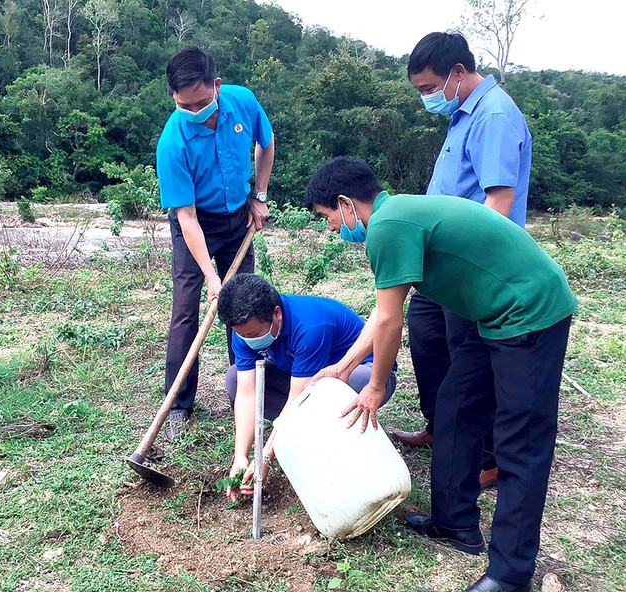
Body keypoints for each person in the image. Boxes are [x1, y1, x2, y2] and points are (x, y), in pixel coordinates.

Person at [305, 157, 576, 592]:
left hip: (529, 312)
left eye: (329, 218)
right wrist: (343, 367)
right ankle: (455, 523)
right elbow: (383, 311)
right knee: (454, 407)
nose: (334, 229)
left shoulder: (387, 227)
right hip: (490, 314)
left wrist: (375, 387)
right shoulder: (398, 214)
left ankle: (511, 574)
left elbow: (392, 324)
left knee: (519, 440)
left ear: (345, 203)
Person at [396, 32, 533, 490]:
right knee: (427, 333)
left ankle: (486, 455)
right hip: (443, 260)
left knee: (469, 359)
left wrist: (464, 261)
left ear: (457, 72)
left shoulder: (493, 115)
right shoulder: (462, 114)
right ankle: (441, 428)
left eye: (429, 87)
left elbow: (499, 200)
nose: (426, 98)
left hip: (471, 264)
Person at [156, 46, 276, 441]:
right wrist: (210, 275)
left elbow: (266, 143)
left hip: (238, 214)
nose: (194, 111)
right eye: (184, 105)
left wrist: (258, 196)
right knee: (187, 308)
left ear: (217, 86)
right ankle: (178, 405)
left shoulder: (242, 101)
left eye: (202, 102)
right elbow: (186, 217)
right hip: (196, 221)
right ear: (174, 97)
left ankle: (240, 391)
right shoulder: (172, 141)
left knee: (242, 303)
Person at [216, 273, 396, 500]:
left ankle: (334, 450)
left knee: (324, 393)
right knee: (234, 377)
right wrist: (240, 456)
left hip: (362, 376)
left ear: (276, 314)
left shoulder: (311, 326)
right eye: (241, 334)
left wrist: (266, 456)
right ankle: (303, 431)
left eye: (252, 334)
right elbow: (247, 392)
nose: (247, 339)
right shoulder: (243, 332)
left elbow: (298, 398)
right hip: (306, 378)